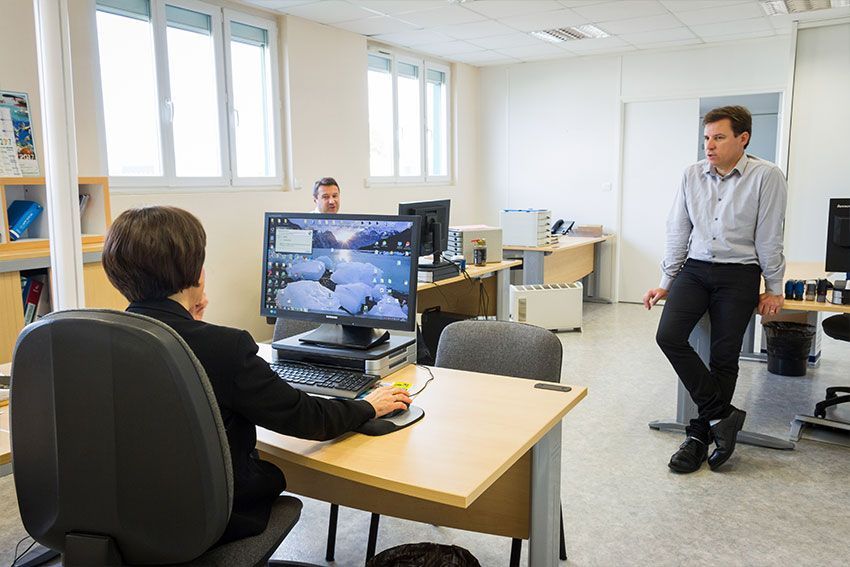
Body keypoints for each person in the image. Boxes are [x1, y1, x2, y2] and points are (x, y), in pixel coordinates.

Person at [101, 205, 411, 545]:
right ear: (198, 272)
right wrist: (368, 406)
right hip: (212, 522)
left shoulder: (101, 338)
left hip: (125, 520)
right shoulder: (223, 348)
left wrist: (190, 321)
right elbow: (307, 419)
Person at [643, 105, 787, 474]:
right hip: (695, 269)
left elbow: (770, 235)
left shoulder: (766, 176)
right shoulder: (692, 174)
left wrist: (773, 287)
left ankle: (696, 436)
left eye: (719, 137)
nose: (709, 145)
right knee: (669, 335)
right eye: (707, 138)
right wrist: (666, 282)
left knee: (724, 356)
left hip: (739, 273)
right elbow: (678, 229)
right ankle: (722, 417)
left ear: (743, 138)